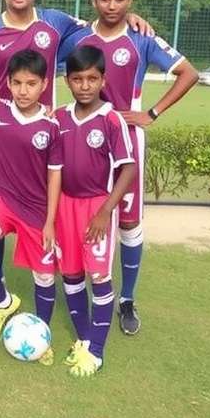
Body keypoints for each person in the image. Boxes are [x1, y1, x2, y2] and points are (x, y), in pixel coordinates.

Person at [0, 0, 151, 309]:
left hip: (46, 136)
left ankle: (61, 272)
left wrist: (130, 20)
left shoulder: (56, 23)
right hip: (3, 138)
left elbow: (101, 28)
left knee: (45, 203)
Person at [64, 0, 198, 334]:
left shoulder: (141, 38)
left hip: (127, 142)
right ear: (93, 0)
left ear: (130, 0)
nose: (112, 5)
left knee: (127, 222)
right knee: (81, 212)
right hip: (82, 142)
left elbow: (189, 72)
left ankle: (126, 300)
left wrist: (151, 112)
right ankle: (84, 286)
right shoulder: (76, 38)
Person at [0, 50, 62, 365]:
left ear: (44, 84)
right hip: (2, 198)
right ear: (7, 82)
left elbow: (54, 176)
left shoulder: (51, 126)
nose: (23, 90)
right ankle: (3, 299)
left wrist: (50, 221)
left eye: (31, 83)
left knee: (45, 278)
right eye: (17, 83)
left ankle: (42, 333)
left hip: (37, 210)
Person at [54, 45, 136, 375]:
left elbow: (128, 169)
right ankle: (85, 340)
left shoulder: (112, 119)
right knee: (71, 275)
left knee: (99, 276)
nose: (85, 85)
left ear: (103, 80)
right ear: (67, 81)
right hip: (64, 208)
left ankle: (97, 352)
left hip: (96, 207)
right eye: (77, 79)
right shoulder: (58, 117)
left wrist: (105, 211)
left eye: (92, 78)